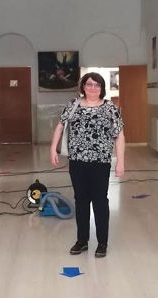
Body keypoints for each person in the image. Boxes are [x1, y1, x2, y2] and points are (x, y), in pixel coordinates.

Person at [49, 72, 125, 258]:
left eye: (97, 85)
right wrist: (53, 149)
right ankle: (82, 241)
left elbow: (119, 136)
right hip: (77, 161)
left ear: (102, 88)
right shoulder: (73, 105)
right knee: (81, 200)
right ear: (83, 86)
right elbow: (60, 126)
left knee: (100, 201)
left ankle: (102, 243)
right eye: (89, 84)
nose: (93, 88)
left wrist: (120, 162)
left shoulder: (110, 108)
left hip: (100, 162)